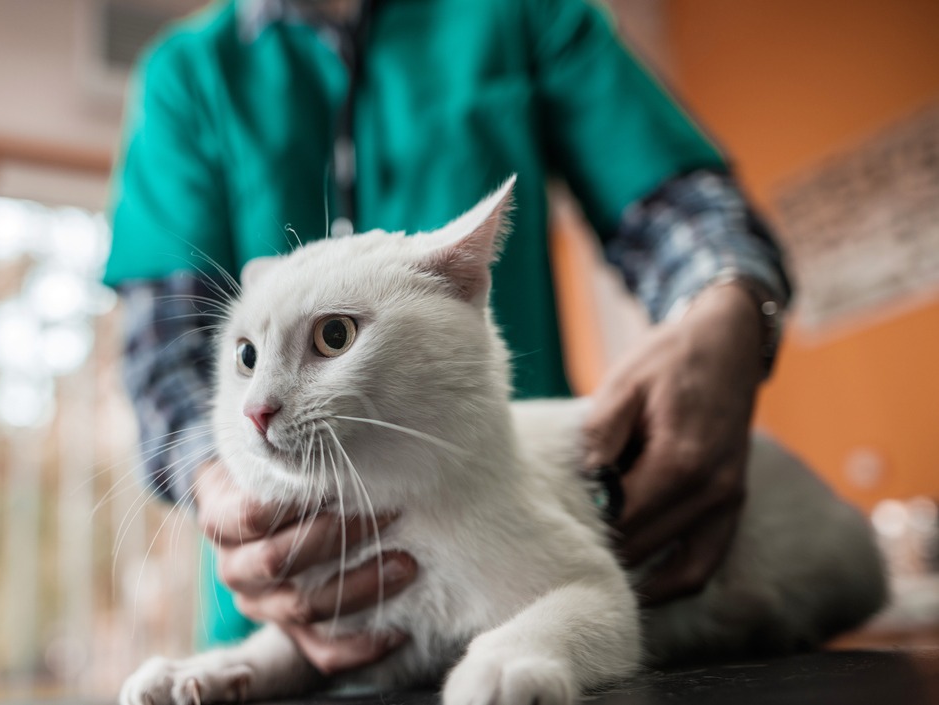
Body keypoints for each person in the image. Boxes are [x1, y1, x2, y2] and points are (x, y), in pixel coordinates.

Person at [104, 0, 791, 674]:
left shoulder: (523, 12)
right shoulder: (188, 74)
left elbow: (678, 209)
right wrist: (220, 489)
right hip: (289, 586)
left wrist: (727, 304)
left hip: (510, 533)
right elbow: (168, 357)